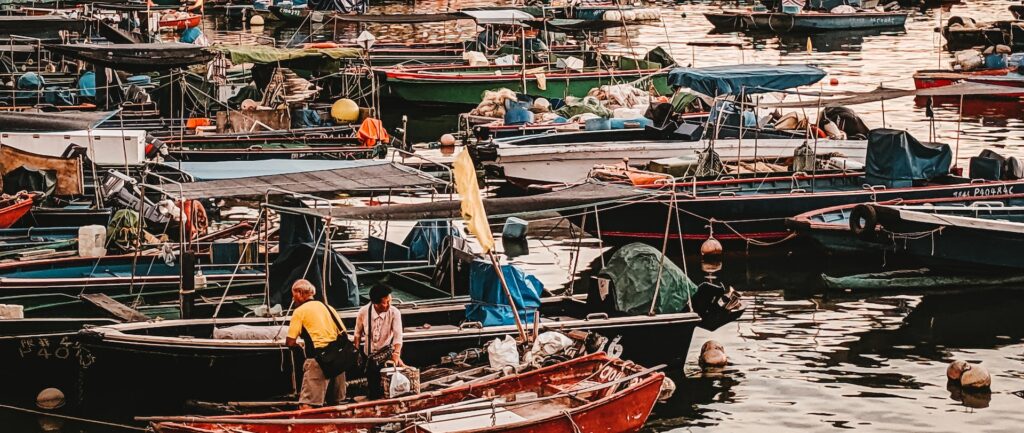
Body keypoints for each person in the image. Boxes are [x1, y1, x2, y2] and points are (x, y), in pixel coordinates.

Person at [285, 279, 348, 408]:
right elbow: (343, 333)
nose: (293, 299)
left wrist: (300, 349)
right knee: (336, 405)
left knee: (307, 405)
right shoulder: (328, 307)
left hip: (318, 359)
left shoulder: (300, 311)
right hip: (337, 359)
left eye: (294, 294)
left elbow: (290, 342)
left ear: (301, 293)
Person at [354, 284, 404, 399]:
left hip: (387, 354)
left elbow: (398, 336)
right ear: (375, 303)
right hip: (370, 356)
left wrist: (396, 354)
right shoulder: (363, 312)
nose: (388, 305)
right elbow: (357, 334)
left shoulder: (394, 312)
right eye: (385, 302)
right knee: (373, 389)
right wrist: (356, 352)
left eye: (389, 301)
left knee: (389, 388)